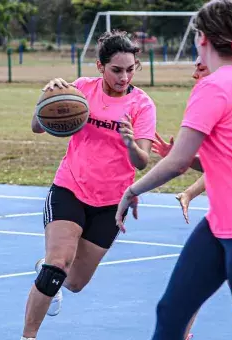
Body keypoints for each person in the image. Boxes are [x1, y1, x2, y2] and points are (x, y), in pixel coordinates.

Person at [115, 1, 232, 339]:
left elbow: (178, 161)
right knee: (171, 313)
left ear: (201, 37)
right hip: (224, 224)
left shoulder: (211, 87)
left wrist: (131, 190)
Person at [20, 30, 156, 340]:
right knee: (57, 266)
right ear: (100, 66)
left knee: (75, 282)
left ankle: (47, 271)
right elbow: (37, 127)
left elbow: (142, 161)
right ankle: (28, 336)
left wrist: (130, 142)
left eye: (131, 68)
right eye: (116, 69)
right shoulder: (80, 90)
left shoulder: (142, 105)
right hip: (70, 188)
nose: (124, 76)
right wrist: (48, 98)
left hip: (111, 202)